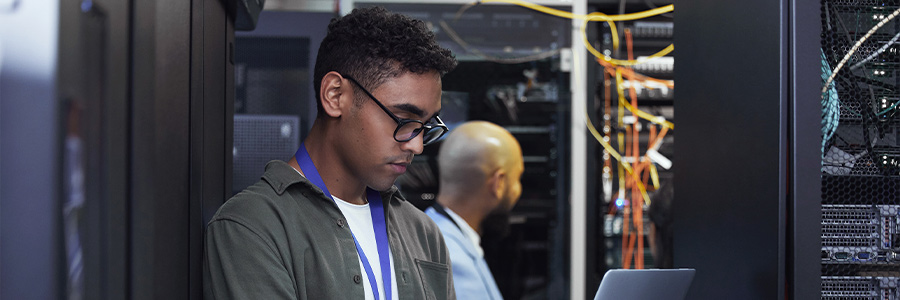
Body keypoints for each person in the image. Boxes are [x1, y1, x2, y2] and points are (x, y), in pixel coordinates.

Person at [204, 6, 458, 300]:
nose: (417, 145)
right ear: (335, 95)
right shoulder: (252, 227)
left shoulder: (423, 233)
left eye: (426, 126)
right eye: (404, 120)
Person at [425, 121, 524, 300]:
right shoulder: (449, 259)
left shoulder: (436, 236)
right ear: (498, 184)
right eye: (517, 178)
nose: (519, 189)